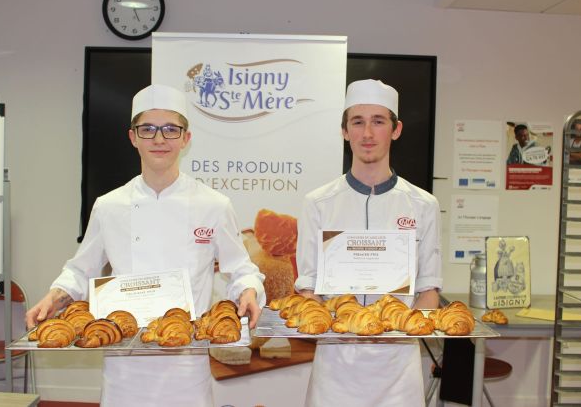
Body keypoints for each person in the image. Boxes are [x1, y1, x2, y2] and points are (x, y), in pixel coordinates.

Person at [25, 84, 265, 407]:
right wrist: (55, 297)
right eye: (148, 129)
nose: (159, 139)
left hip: (186, 366)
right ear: (133, 137)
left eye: (170, 129)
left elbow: (241, 268)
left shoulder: (214, 205)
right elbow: (81, 269)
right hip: (125, 366)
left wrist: (248, 290)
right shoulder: (109, 206)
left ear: (186, 138)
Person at [294, 79, 442, 406]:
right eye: (357, 122)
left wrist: (403, 330)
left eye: (378, 121)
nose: (367, 133)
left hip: (398, 371)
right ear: (344, 131)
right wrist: (333, 323)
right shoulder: (318, 203)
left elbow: (429, 290)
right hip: (335, 367)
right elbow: (308, 288)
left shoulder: (423, 205)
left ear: (396, 129)